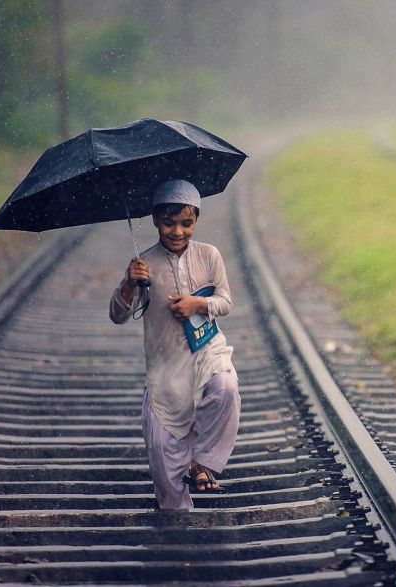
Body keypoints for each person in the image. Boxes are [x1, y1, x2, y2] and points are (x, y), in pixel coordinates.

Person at [109, 178, 240, 510]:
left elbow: (225, 302)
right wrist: (128, 283)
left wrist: (198, 305)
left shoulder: (209, 255)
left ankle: (203, 462)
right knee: (163, 459)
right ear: (155, 220)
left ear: (196, 220)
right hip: (166, 365)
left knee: (225, 387)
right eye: (169, 223)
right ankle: (178, 521)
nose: (178, 231)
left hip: (207, 353)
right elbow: (118, 316)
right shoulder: (144, 265)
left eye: (186, 223)